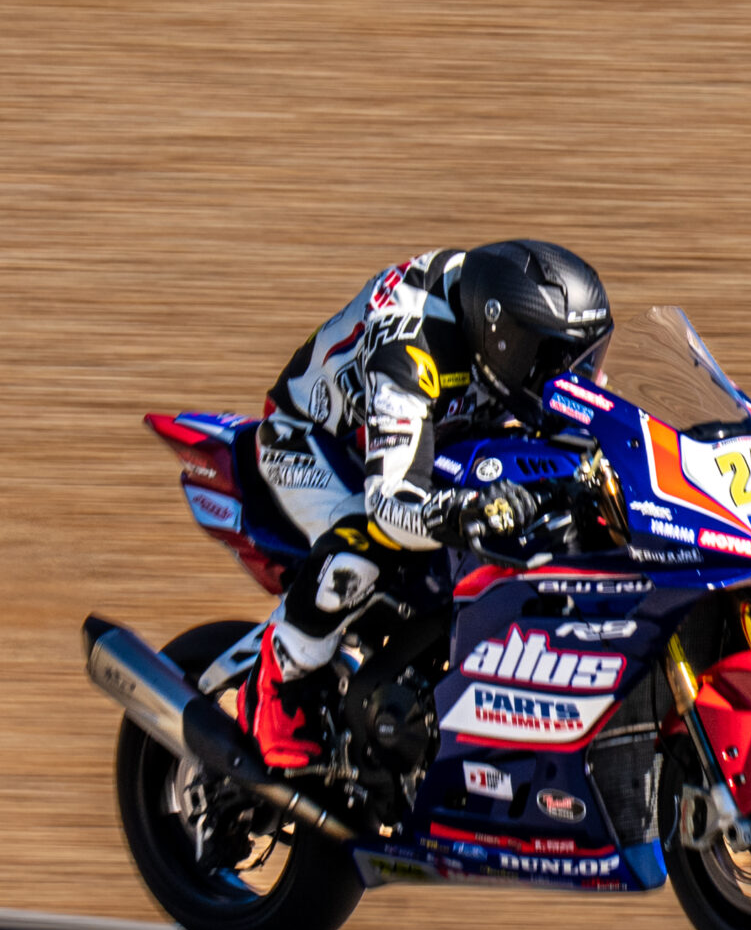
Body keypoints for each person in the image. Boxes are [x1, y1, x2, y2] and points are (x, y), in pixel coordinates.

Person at [245, 240, 614, 769]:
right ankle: (278, 683)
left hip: (436, 429)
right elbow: (390, 501)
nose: (567, 374)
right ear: (503, 337)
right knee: (364, 540)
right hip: (315, 441)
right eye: (549, 358)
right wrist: (465, 512)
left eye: (581, 356)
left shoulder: (498, 334)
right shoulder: (412, 345)